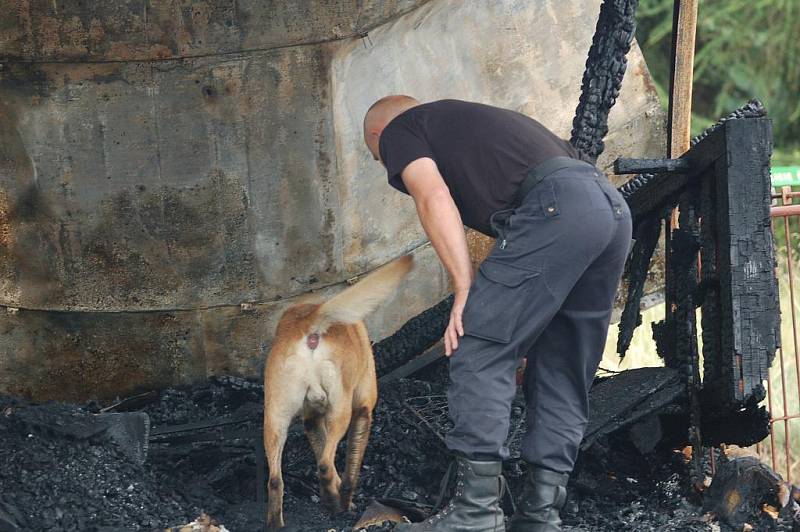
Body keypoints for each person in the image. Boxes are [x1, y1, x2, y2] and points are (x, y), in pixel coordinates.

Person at [362, 96, 632, 532]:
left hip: (558, 207)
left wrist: (465, 289)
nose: (390, 166)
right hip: (610, 211)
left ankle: (475, 513)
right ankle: (541, 517)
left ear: (378, 137)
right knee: (563, 367)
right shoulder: (475, 124)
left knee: (478, 343)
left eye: (382, 161)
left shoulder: (399, 129)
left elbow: (433, 197)